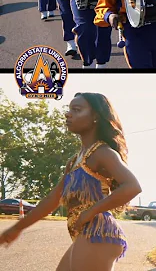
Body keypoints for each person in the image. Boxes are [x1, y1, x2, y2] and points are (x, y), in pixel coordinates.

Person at [0, 93, 142, 270]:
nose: (68, 114)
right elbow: (52, 200)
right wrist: (17, 228)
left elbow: (132, 186)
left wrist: (90, 212)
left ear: (95, 117)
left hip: (99, 232)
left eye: (77, 110)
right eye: (69, 109)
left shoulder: (102, 152)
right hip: (86, 235)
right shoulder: (74, 161)